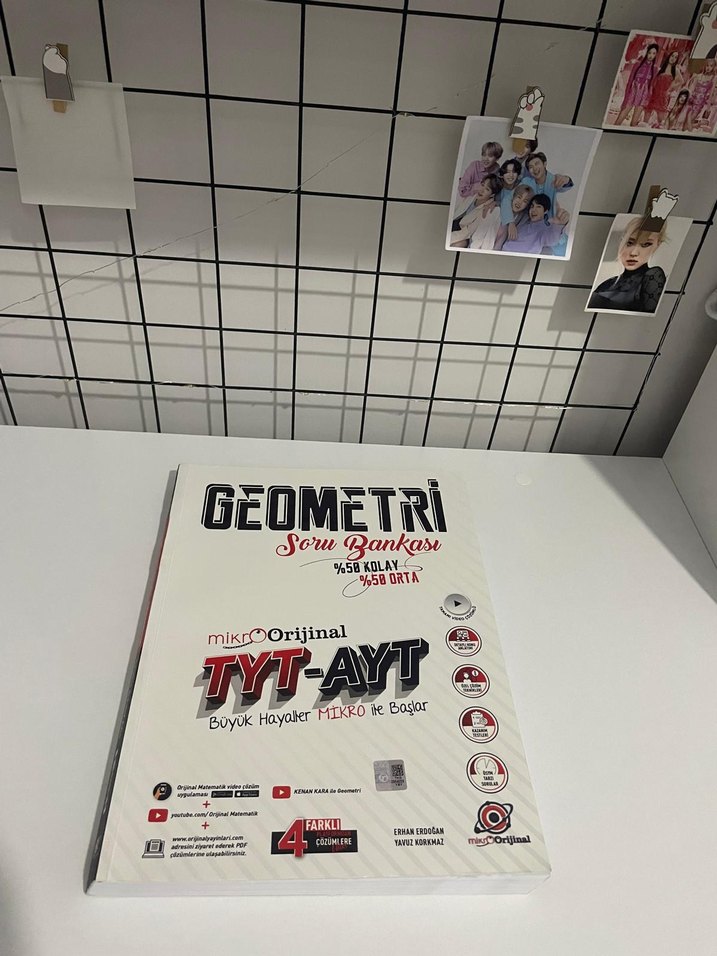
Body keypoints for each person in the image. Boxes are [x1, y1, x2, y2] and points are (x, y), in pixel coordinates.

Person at [587, 217, 667, 314]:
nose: (633, 253)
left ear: (657, 245)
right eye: (629, 243)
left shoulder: (653, 276)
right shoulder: (608, 283)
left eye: (646, 244)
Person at [497, 194, 570, 255]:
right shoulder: (523, 220)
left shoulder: (545, 229)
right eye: (532, 206)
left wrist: (559, 224)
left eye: (538, 207)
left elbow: (552, 239)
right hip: (503, 252)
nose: (533, 210)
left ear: (545, 211)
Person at [450, 174, 502, 249]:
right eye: (482, 185)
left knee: (458, 244)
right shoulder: (471, 196)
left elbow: (468, 232)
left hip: (465, 234)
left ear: (492, 195)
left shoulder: (488, 209)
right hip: (454, 223)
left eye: (487, 189)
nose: (481, 190)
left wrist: (448, 237)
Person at [615, 42, 659, 127]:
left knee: (634, 123)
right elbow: (630, 81)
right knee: (619, 120)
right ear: (647, 52)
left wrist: (648, 99)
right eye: (650, 53)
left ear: (656, 55)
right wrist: (626, 98)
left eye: (654, 53)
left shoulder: (655, 69)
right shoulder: (638, 64)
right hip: (633, 92)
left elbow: (652, 86)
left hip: (644, 96)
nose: (651, 55)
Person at [645, 50, 681, 128]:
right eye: (672, 56)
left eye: (675, 57)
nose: (673, 58)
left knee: (661, 121)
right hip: (654, 94)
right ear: (669, 56)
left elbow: (681, 81)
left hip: (663, 96)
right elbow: (654, 81)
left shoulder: (676, 70)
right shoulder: (661, 68)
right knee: (646, 117)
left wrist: (670, 88)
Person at [493, 184, 534, 248]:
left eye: (525, 201)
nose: (520, 202)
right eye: (519, 197)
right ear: (513, 197)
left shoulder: (523, 219)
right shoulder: (498, 208)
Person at [687, 57, 717, 132]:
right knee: (686, 119)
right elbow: (692, 88)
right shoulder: (698, 76)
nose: (708, 68)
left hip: (700, 103)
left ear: (714, 67)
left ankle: (694, 128)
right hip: (692, 100)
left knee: (691, 120)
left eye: (711, 66)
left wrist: (708, 107)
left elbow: (711, 93)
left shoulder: (713, 77)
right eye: (707, 65)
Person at [496, 159, 523, 225]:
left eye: (514, 172)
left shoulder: (521, 188)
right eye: (507, 172)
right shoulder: (497, 187)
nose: (511, 175)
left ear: (518, 174)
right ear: (502, 174)